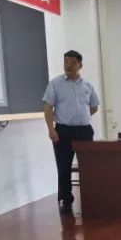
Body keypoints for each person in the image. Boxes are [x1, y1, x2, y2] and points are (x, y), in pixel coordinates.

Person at [43, 49, 99, 215]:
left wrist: (81, 116)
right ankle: (66, 200)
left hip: (84, 131)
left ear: (80, 65)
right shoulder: (55, 84)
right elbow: (47, 108)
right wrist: (51, 130)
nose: (68, 65)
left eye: (72, 62)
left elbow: (94, 107)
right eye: (66, 61)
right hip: (63, 131)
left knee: (88, 166)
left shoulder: (88, 85)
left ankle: (90, 198)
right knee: (64, 167)